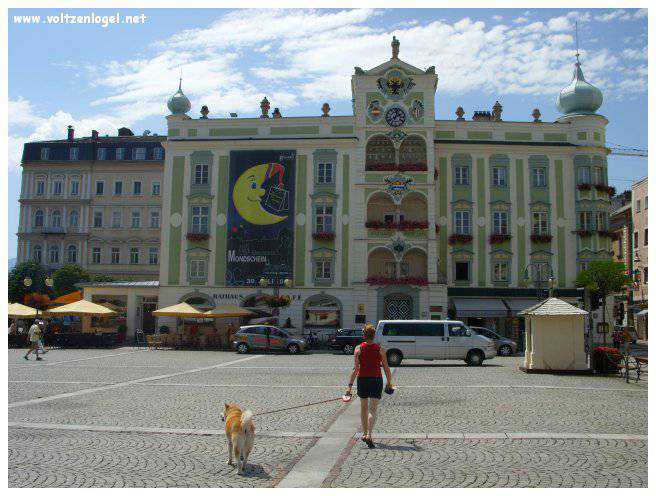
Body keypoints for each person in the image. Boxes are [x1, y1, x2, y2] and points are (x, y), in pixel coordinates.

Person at [346, 323, 393, 449]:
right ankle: (369, 435)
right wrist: (389, 382)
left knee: (363, 408)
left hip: (362, 380)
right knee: (372, 409)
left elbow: (355, 369)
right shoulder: (380, 349)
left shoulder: (358, 349)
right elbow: (387, 368)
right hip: (376, 380)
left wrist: (349, 387)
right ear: (374, 335)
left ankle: (365, 433)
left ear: (364, 335)